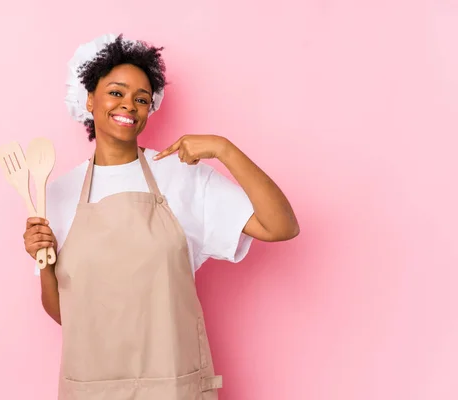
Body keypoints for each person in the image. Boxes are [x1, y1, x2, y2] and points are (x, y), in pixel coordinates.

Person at [22, 33, 299, 399]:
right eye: (116, 92)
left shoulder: (181, 174)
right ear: (89, 98)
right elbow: (65, 314)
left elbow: (281, 226)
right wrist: (43, 261)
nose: (129, 105)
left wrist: (223, 149)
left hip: (172, 387)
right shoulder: (56, 194)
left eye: (141, 98)